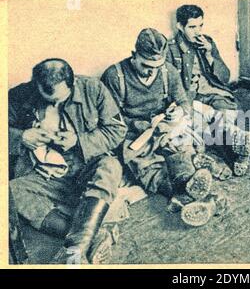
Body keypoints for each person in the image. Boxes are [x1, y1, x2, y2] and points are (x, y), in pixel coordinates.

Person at [9, 58, 127, 264]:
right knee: (10, 192)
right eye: (48, 99)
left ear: (73, 84)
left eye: (60, 100)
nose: (54, 104)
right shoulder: (19, 95)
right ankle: (94, 236)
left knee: (110, 167)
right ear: (35, 84)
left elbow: (117, 130)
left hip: (86, 165)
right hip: (45, 173)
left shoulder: (93, 89)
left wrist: (79, 141)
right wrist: (21, 137)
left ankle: (74, 249)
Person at [101, 28, 221, 226]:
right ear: (134, 55)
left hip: (164, 125)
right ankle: (180, 191)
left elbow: (184, 101)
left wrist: (179, 112)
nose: (152, 71)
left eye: (157, 66)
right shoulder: (115, 76)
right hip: (132, 133)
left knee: (179, 149)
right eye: (147, 65)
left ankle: (187, 181)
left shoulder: (167, 71)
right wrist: (141, 125)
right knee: (145, 164)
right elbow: (112, 120)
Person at [166, 4, 250, 177]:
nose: (197, 32)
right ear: (180, 26)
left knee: (228, 115)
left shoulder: (207, 42)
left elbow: (225, 77)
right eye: (192, 27)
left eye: (200, 26)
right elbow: (173, 88)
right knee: (206, 124)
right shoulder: (171, 49)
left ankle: (236, 150)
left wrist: (210, 54)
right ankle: (233, 156)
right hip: (190, 97)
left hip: (211, 91)